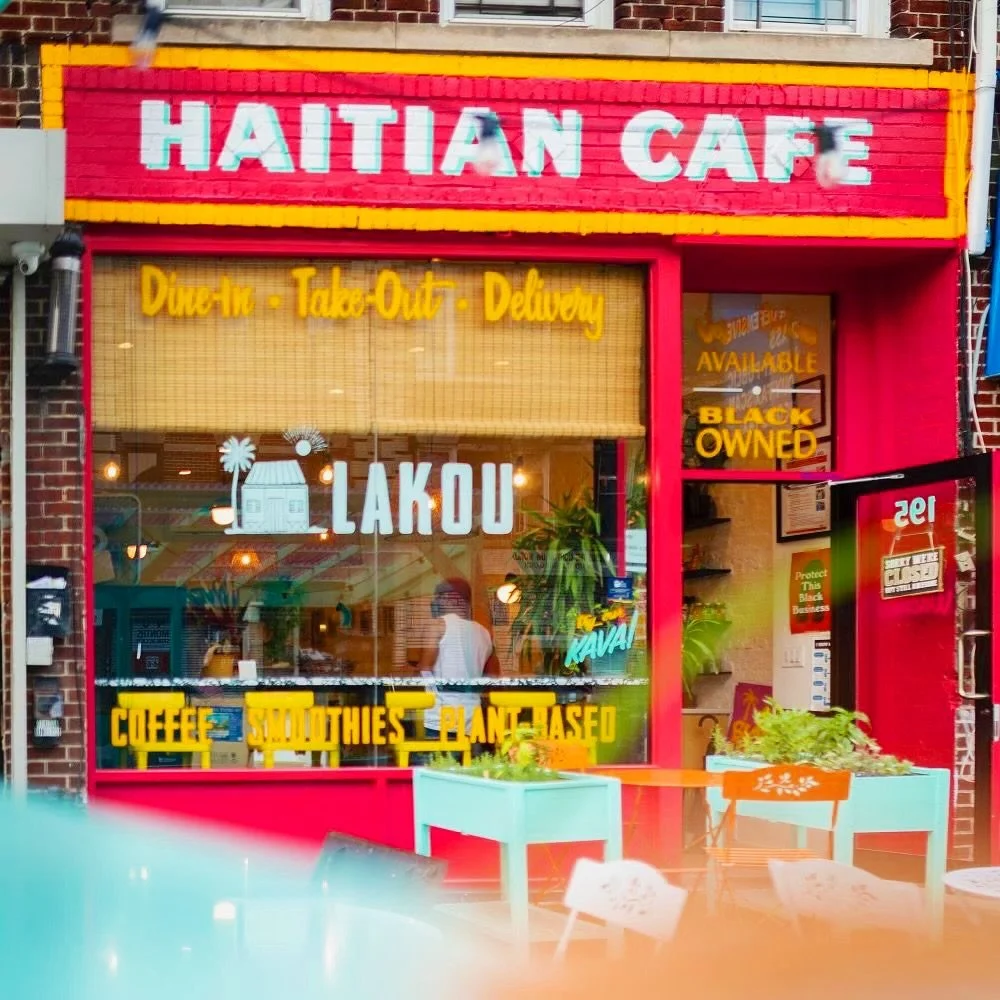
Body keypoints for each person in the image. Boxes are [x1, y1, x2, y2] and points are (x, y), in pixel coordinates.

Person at [414, 577, 498, 751]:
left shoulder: (438, 626)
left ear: (452, 598)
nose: (435, 602)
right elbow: (493, 678)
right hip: (471, 720)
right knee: (466, 767)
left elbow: (424, 671)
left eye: (439, 597)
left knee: (437, 767)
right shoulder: (484, 633)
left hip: (439, 719)